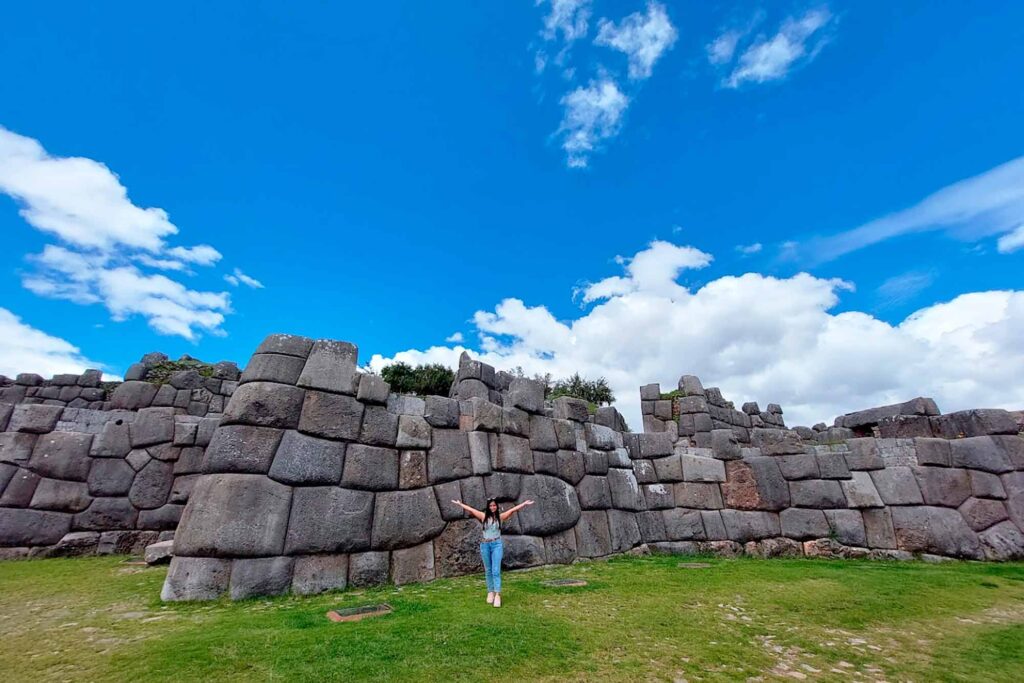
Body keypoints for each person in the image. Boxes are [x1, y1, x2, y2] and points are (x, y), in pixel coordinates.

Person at [450, 497, 534, 608]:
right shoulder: (483, 516)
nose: (493, 507)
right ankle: (490, 592)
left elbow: (512, 510)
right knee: (488, 570)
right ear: (488, 507)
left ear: (496, 506)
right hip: (485, 545)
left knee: (496, 570)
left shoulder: (500, 517)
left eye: (494, 505)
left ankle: (497, 594)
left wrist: (524, 503)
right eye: (491, 506)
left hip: (496, 545)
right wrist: (460, 504)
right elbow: (471, 509)